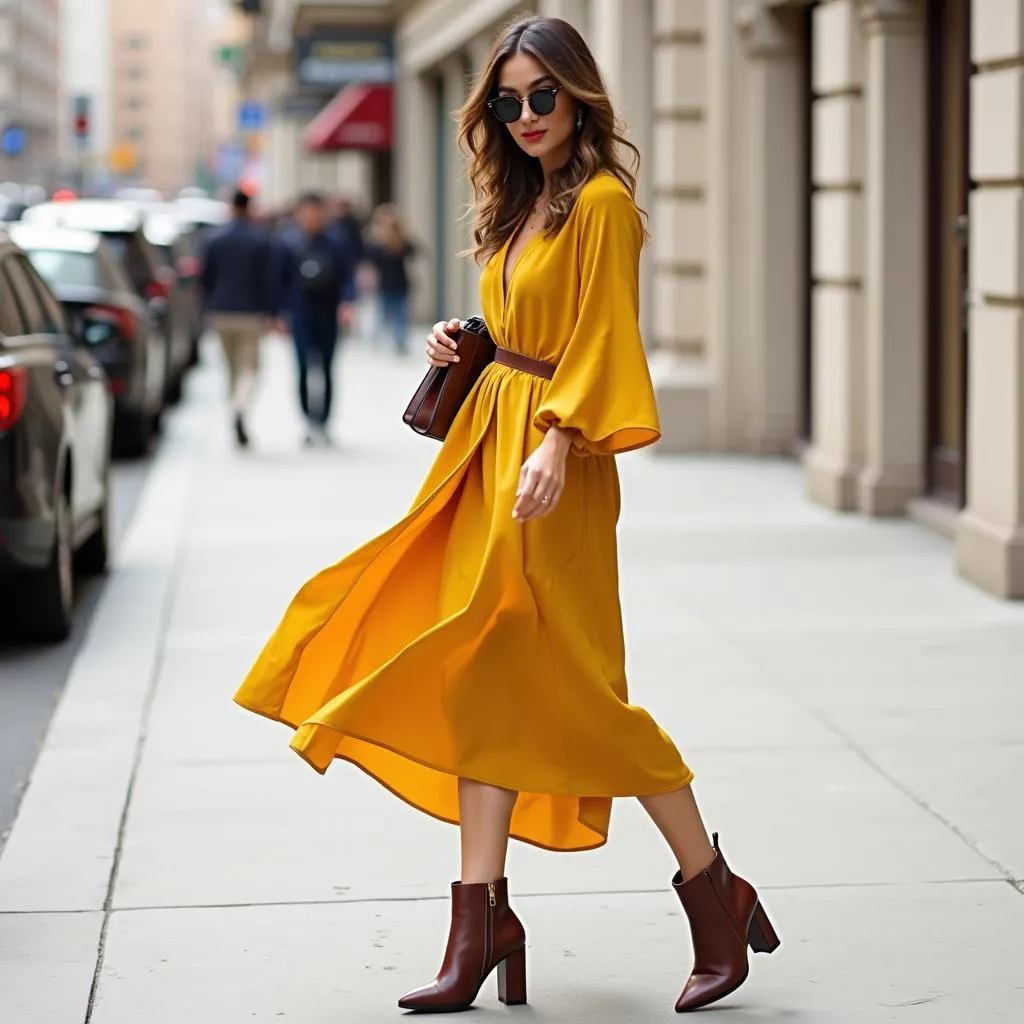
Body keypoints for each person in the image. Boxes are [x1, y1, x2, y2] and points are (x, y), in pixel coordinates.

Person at [234, 15, 779, 1016]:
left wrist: (561, 446)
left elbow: (605, 337)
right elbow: (528, 328)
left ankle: (716, 895)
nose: (525, 116)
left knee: (582, 688)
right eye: (508, 100)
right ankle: (480, 924)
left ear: (580, 99)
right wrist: (465, 339)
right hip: (495, 445)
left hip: (551, 465)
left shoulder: (604, 205)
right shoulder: (523, 203)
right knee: (480, 671)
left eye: (543, 97)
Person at [276, 192, 357, 445]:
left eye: (316, 211)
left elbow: (347, 276)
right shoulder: (288, 243)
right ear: (299, 214)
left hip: (328, 313)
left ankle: (323, 422)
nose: (311, 217)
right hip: (300, 315)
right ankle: (308, 421)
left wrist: (346, 303)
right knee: (302, 369)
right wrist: (279, 313)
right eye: (307, 212)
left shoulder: (335, 242)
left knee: (327, 369)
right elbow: (279, 280)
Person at [200, 188, 277, 448]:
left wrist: (209, 306)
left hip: (222, 311)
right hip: (251, 313)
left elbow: (206, 278)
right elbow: (268, 279)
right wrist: (271, 311)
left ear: (231, 207)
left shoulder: (215, 239)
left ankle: (234, 406)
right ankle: (240, 406)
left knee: (231, 368)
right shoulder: (260, 240)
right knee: (251, 369)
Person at [365, 203, 416, 355]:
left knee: (401, 315)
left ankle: (400, 343)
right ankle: (378, 342)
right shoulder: (376, 242)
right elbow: (371, 261)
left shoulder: (403, 241)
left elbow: (413, 252)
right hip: (384, 284)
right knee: (382, 314)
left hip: (400, 283)